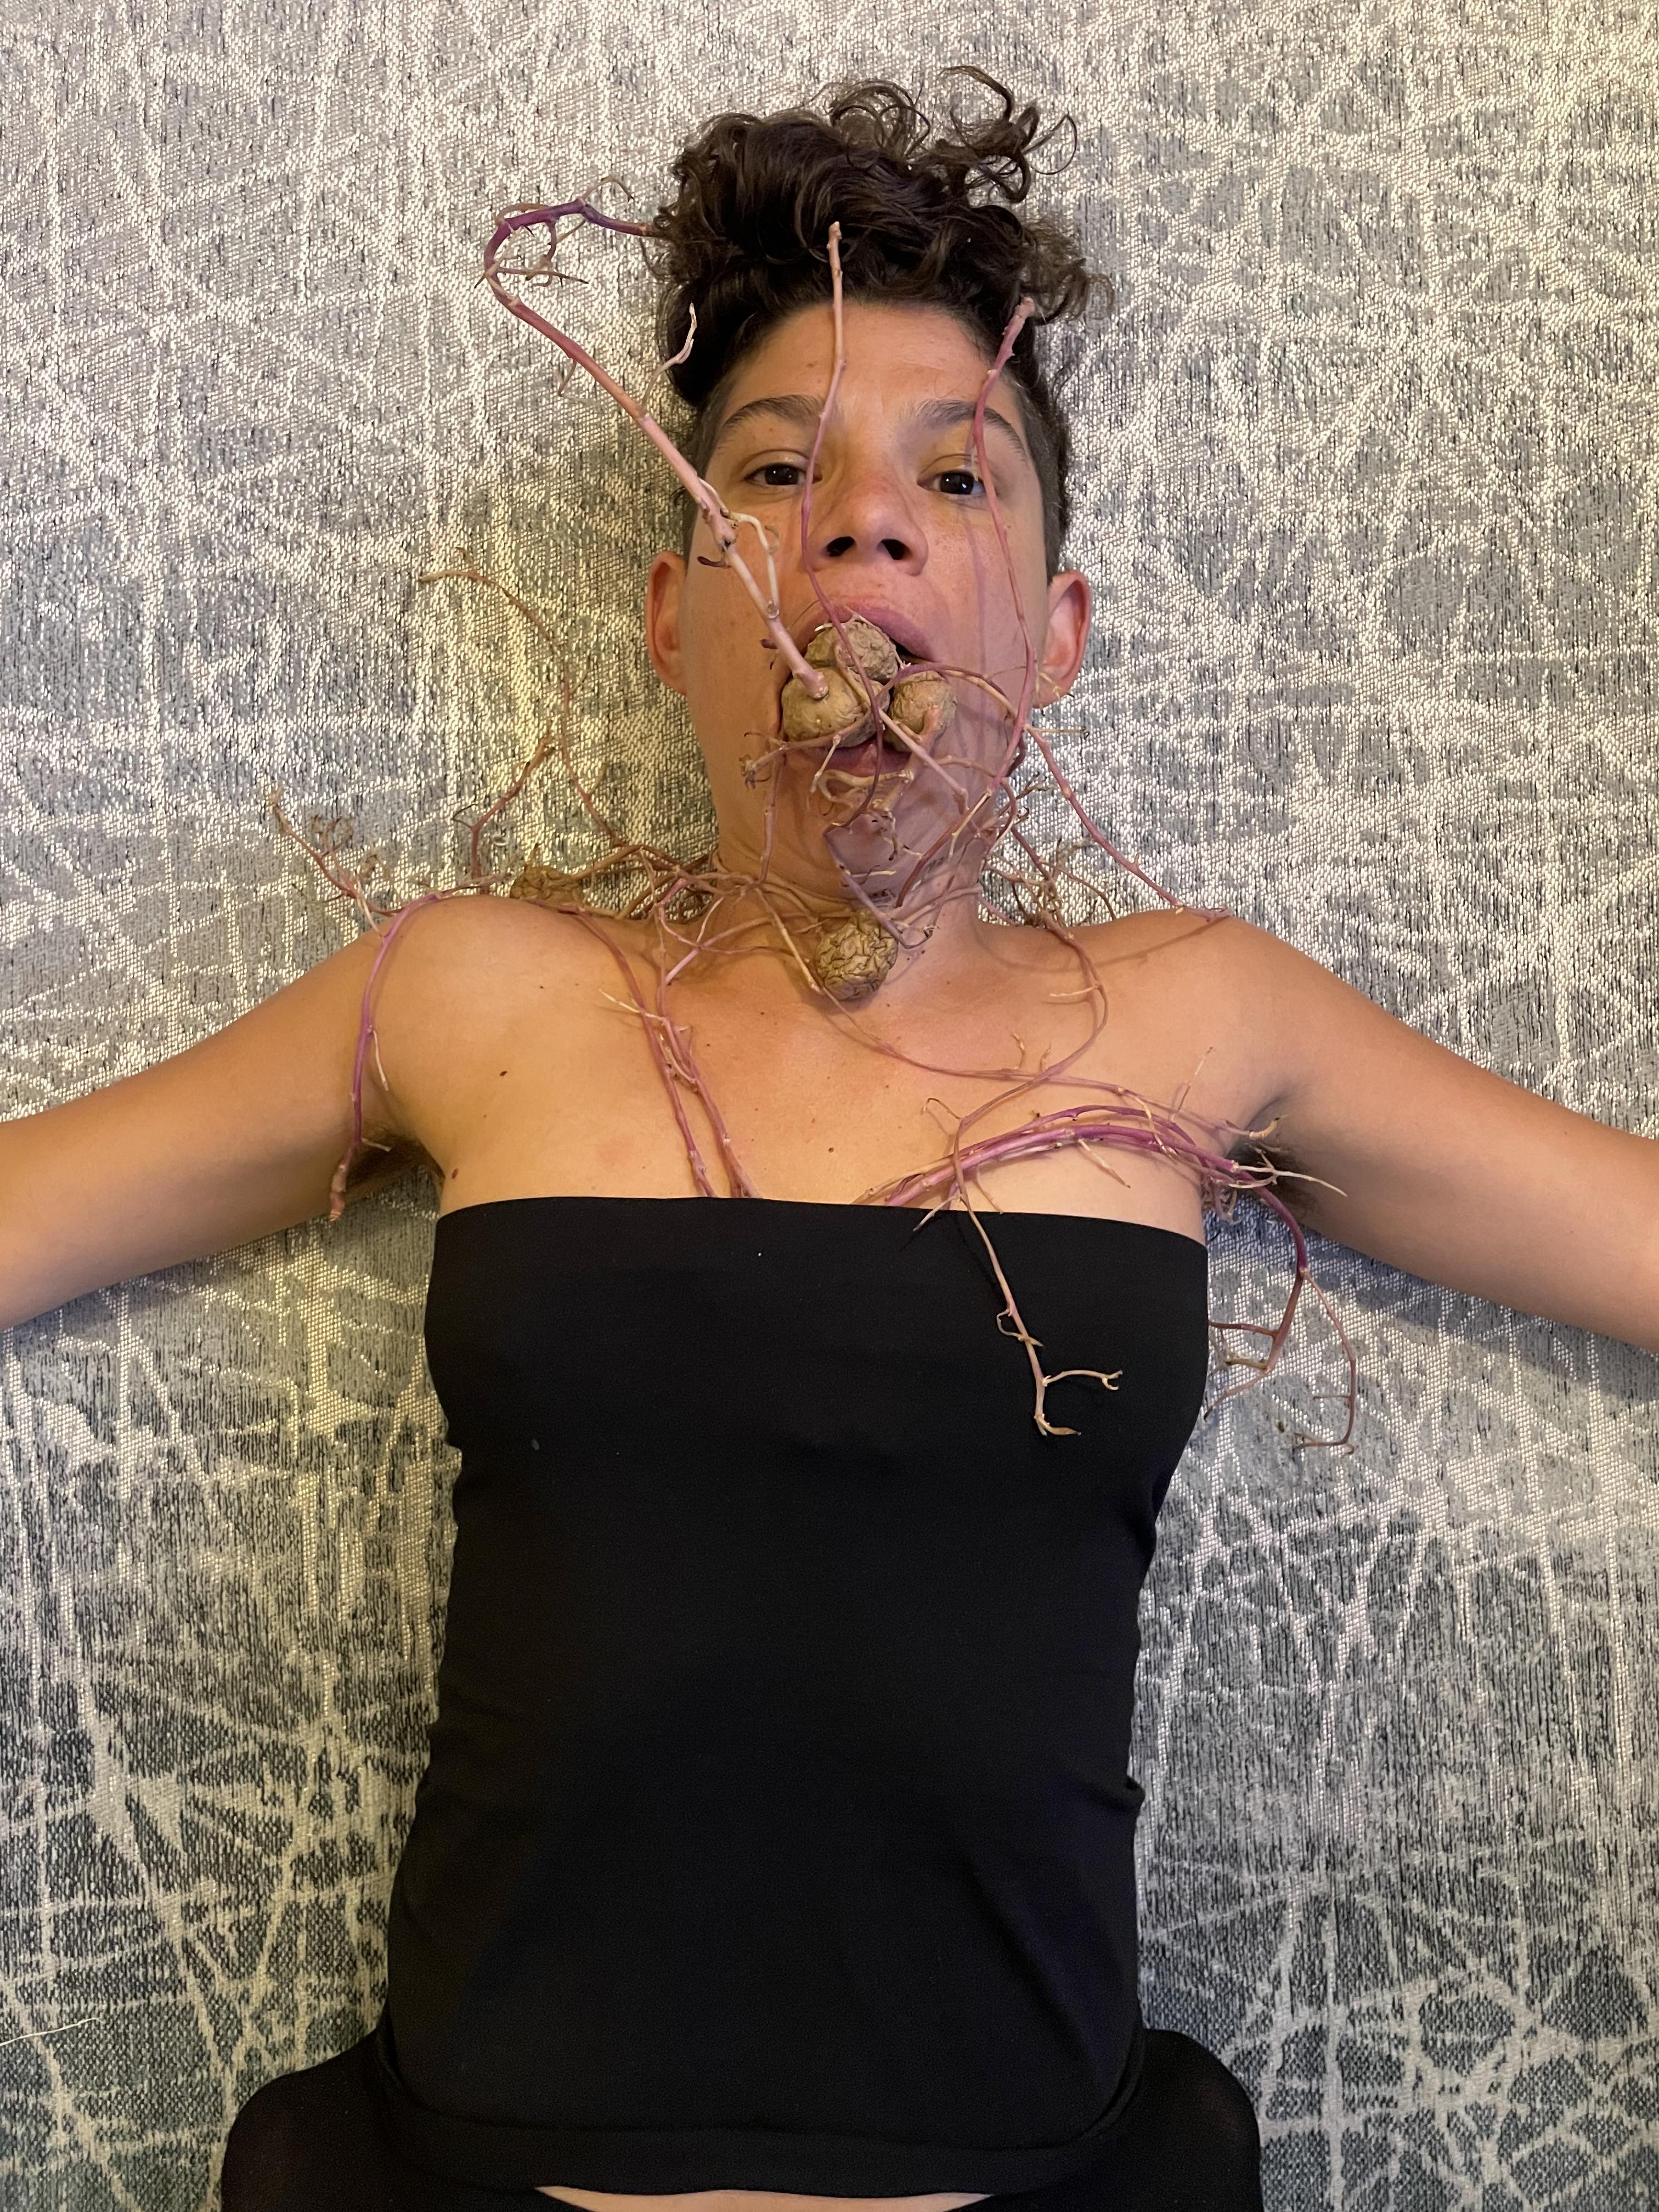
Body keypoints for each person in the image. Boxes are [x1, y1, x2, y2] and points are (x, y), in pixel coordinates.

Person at [3, 70, 1288, 2212]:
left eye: (953, 475)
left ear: (1055, 640)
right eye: (776, 470)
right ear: (677, 619)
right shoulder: (475, 993)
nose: (861, 526)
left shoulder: (1195, 1011)